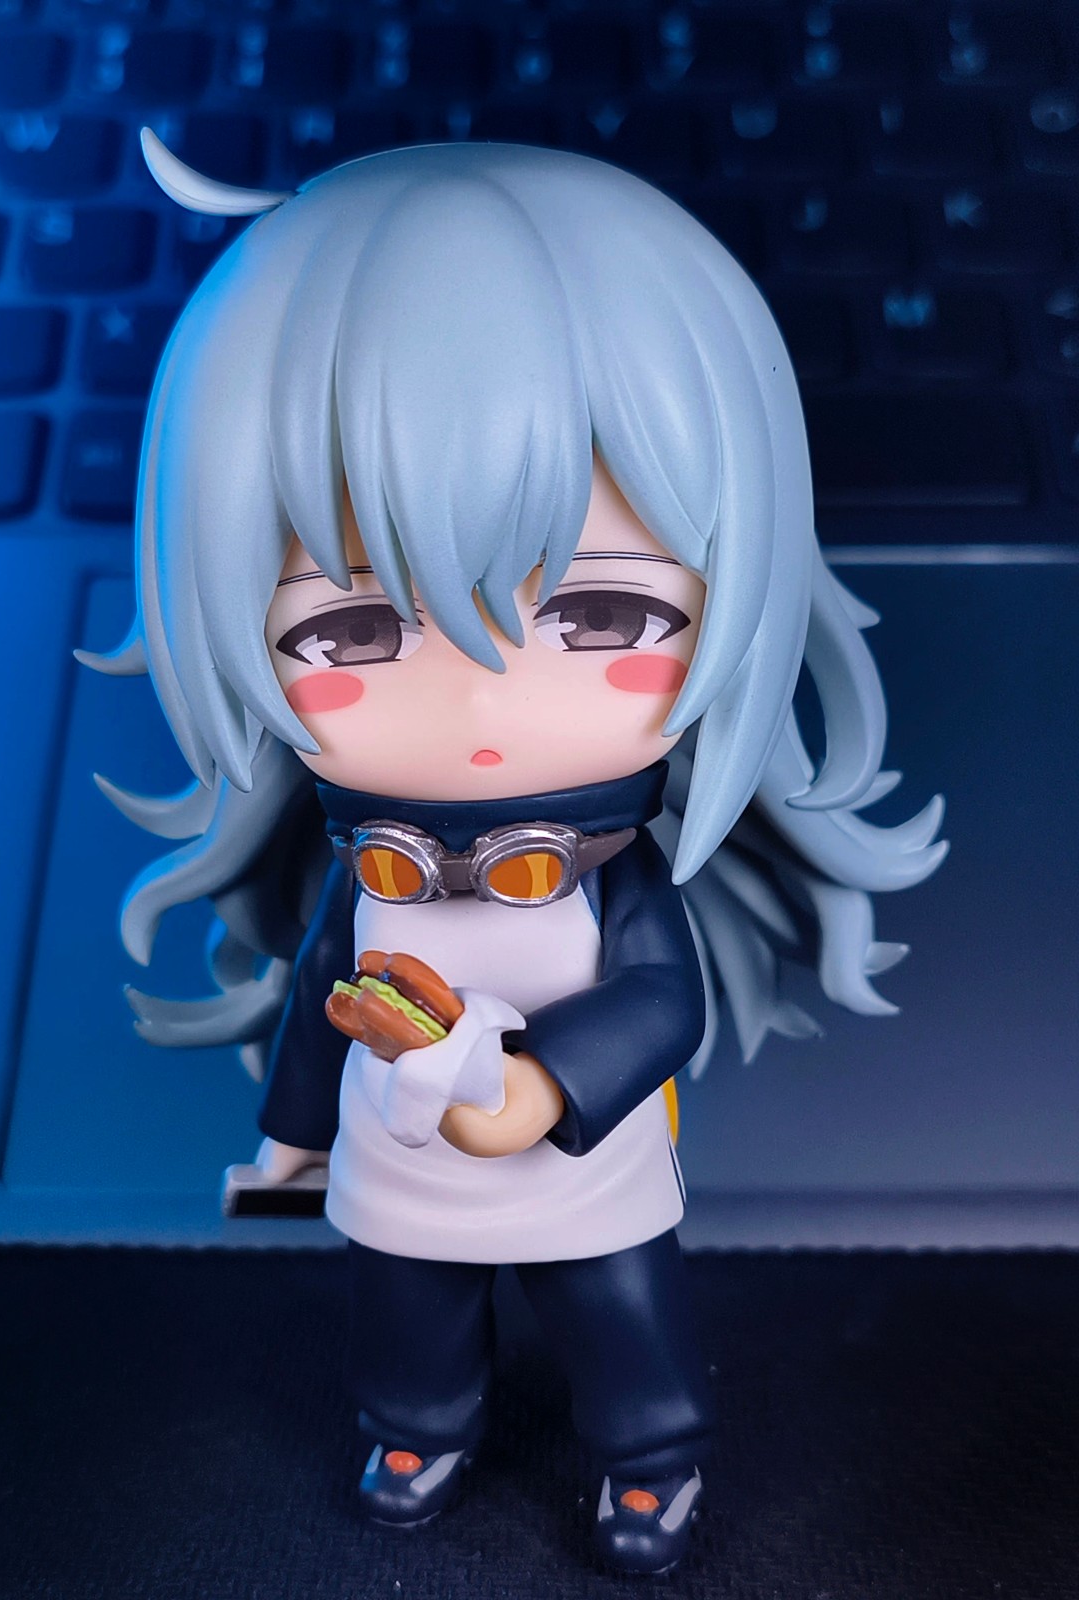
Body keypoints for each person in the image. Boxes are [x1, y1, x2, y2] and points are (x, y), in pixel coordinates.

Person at [84, 134, 946, 1575]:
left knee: (619, 1307)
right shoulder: (364, 876)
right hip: (401, 1153)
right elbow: (321, 995)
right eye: (352, 629)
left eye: (600, 618)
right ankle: (416, 1425)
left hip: (578, 1160)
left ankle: (651, 1454)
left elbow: (662, 1000)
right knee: (405, 1308)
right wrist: (295, 1130)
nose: (482, 700)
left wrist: (544, 1087)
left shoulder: (615, 879)